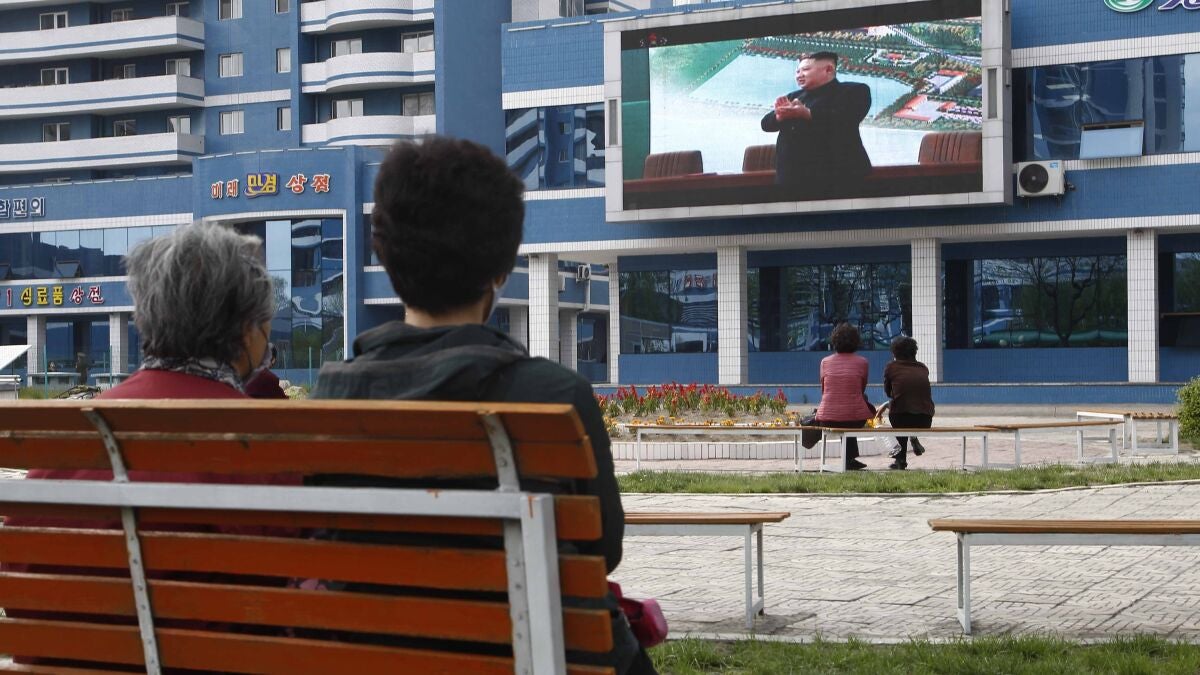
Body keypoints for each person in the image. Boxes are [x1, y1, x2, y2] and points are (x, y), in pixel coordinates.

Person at [313, 136, 654, 674]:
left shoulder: (331, 398)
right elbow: (603, 550)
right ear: (499, 271)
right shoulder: (555, 397)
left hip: (383, 653)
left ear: (387, 259)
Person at [760, 51, 872, 198]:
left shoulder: (854, 91)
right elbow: (765, 124)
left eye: (805, 70)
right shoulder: (794, 96)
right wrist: (778, 116)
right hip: (790, 181)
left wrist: (806, 113)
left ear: (829, 70)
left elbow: (845, 120)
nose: (799, 75)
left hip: (838, 180)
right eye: (797, 71)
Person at [815, 323, 873, 471]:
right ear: (856, 342)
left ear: (834, 341)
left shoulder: (825, 362)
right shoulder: (862, 362)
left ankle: (849, 459)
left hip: (827, 418)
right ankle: (849, 459)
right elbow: (861, 389)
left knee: (843, 409)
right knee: (854, 407)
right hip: (855, 419)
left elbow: (824, 390)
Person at [883, 336, 935, 470]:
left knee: (896, 410)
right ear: (914, 352)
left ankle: (900, 460)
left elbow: (888, 392)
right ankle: (913, 436)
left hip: (901, 418)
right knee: (906, 409)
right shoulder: (923, 368)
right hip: (925, 419)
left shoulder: (891, 367)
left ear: (894, 353)